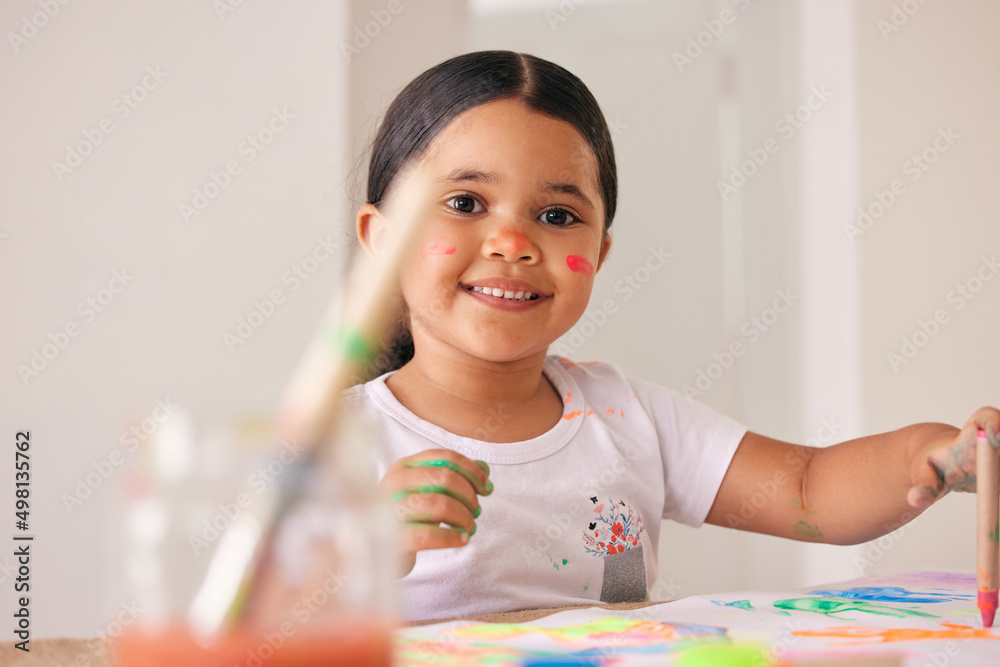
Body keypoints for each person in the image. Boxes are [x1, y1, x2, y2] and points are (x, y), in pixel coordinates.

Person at [340, 50, 998, 621]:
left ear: (599, 252)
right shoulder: (334, 442)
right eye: (464, 203)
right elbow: (258, 618)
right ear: (382, 238)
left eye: (556, 214)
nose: (513, 243)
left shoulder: (625, 416)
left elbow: (809, 489)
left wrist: (934, 454)